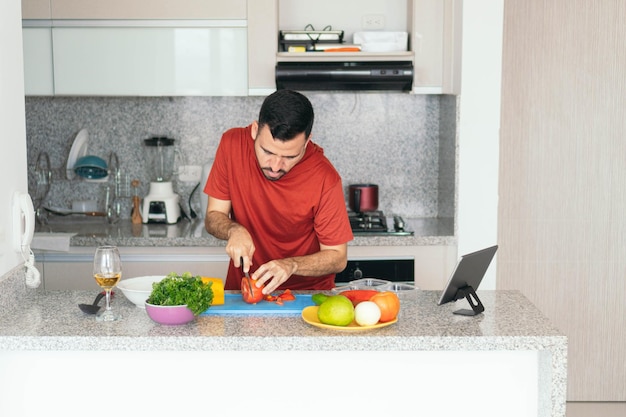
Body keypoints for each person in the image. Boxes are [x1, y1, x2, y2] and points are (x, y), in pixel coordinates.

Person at [204, 89, 353, 293]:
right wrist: (233, 230)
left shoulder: (325, 177)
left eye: (289, 157)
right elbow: (214, 215)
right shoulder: (232, 145)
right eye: (267, 151)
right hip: (245, 291)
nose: (275, 166)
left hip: (306, 296)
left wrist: (291, 265)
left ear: (306, 143)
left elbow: (337, 257)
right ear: (255, 130)